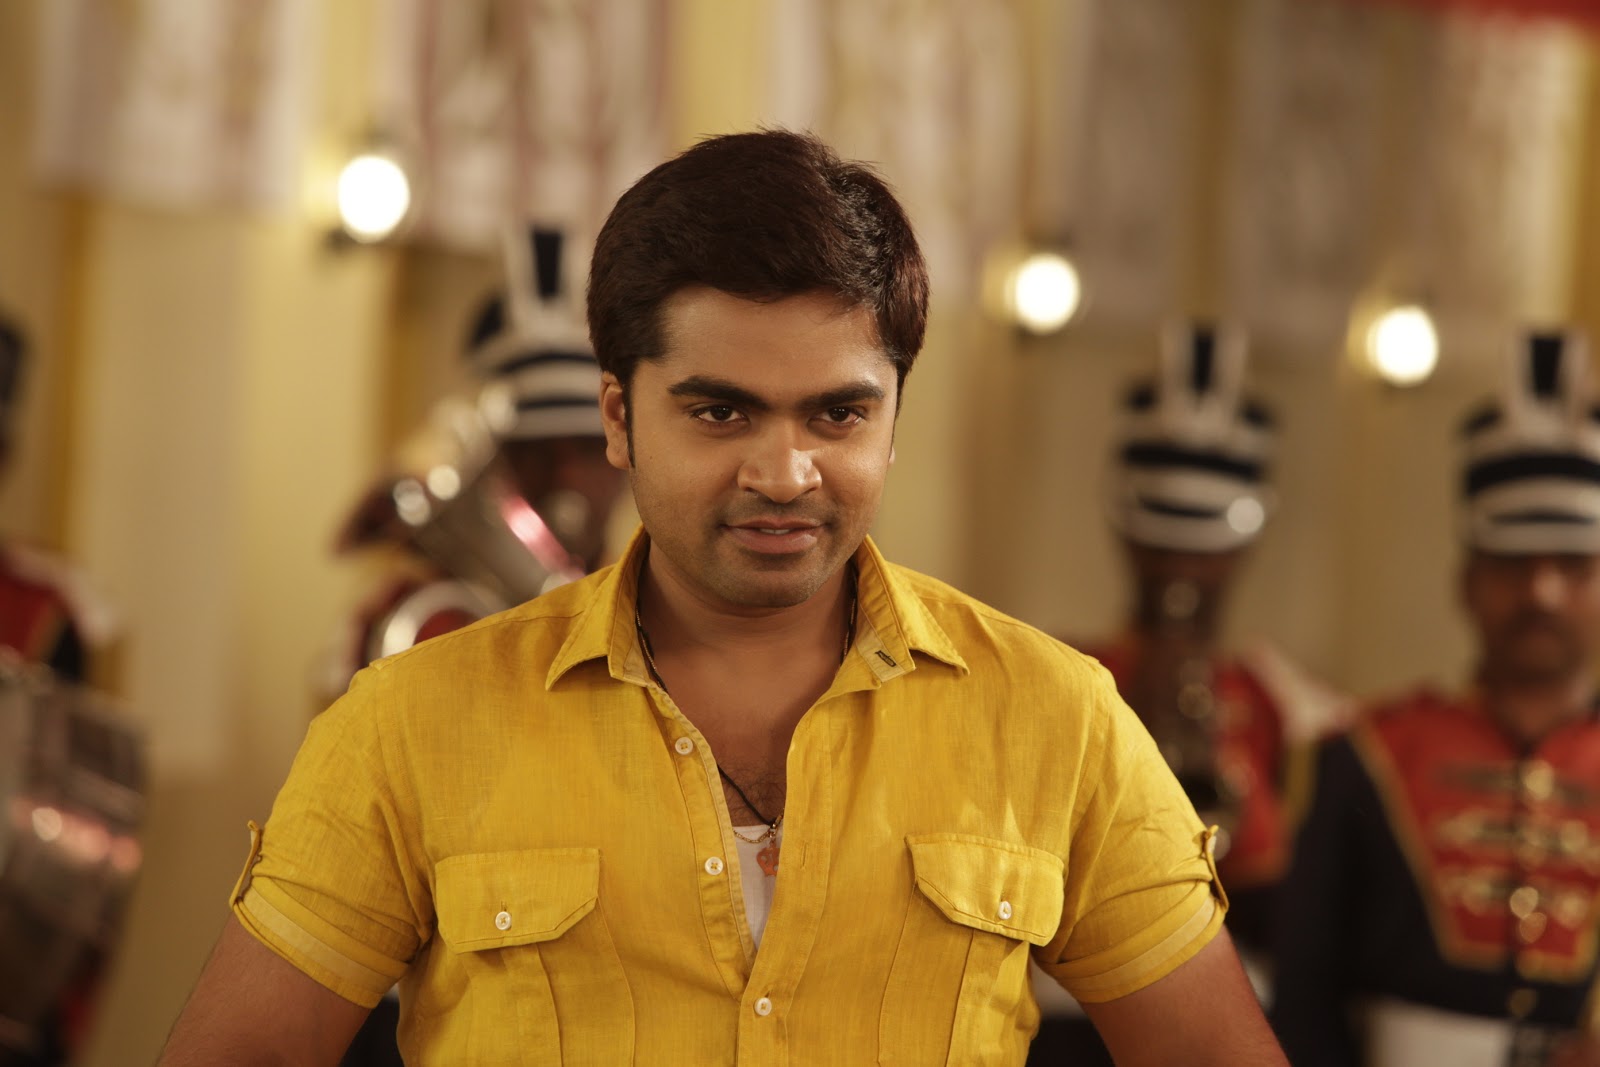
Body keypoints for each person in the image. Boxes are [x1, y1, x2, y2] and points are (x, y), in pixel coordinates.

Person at [159, 130, 1287, 1065]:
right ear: (618, 417)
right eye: (720, 411)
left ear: (894, 419)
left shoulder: (1054, 718)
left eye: (837, 414)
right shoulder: (410, 726)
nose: (783, 473)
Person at [1273, 330, 1600, 1067]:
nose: (1542, 593)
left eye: (1574, 566)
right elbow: (1305, 996)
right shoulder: (1362, 756)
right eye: (1512, 564)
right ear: (1467, 582)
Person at [1029, 324, 1346, 1065]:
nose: (1183, 568)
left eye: (1207, 547)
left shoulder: (1296, 711)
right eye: (1162, 542)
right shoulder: (1049, 678)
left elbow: (1299, 915)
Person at [324, 225, 628, 695]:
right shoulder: (424, 616)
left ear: (627, 457)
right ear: (495, 461)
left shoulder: (655, 609)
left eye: (590, 448)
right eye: (534, 450)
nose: (564, 473)